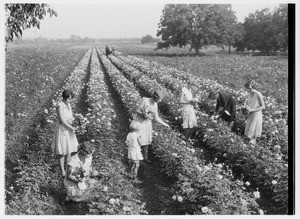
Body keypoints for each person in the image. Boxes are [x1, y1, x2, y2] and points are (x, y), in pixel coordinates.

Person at [133, 90, 170, 163]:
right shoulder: (145, 100)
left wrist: (165, 124)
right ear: (156, 97)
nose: (159, 101)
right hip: (139, 123)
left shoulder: (155, 104)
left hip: (147, 124)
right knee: (138, 141)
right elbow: (137, 110)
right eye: (159, 99)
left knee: (146, 142)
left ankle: (145, 157)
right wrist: (144, 115)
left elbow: (157, 118)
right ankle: (135, 157)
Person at [54, 89, 78, 177]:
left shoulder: (68, 104)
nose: (70, 100)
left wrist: (77, 122)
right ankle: (63, 171)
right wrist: (72, 127)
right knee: (62, 151)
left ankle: (68, 169)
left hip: (70, 129)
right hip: (63, 130)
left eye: (70, 99)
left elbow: (70, 116)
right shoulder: (60, 105)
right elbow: (62, 120)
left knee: (70, 149)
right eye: (68, 99)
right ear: (64, 97)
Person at [244, 80, 265, 145]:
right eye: (247, 88)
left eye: (249, 88)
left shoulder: (258, 94)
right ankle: (248, 150)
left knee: (253, 135)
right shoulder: (249, 94)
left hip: (256, 115)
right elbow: (249, 104)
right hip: (250, 115)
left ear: (253, 87)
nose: (248, 90)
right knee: (248, 135)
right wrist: (245, 108)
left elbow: (263, 106)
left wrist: (251, 110)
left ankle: (252, 148)